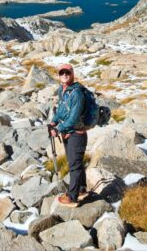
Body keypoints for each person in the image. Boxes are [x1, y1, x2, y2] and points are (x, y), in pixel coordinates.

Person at [50, 63, 88, 207]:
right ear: (58, 75)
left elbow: (73, 118)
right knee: (77, 163)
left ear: (72, 74)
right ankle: (82, 189)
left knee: (74, 166)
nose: (64, 75)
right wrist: (53, 122)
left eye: (67, 72)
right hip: (69, 133)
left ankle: (72, 197)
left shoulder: (77, 93)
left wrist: (58, 129)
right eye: (61, 73)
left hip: (77, 134)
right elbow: (61, 110)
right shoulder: (63, 90)